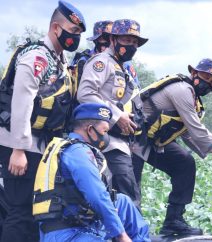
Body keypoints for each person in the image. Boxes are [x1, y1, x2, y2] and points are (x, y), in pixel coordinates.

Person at [132, 58, 212, 237]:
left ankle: (174, 220)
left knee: (185, 163)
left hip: (154, 142)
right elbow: (198, 132)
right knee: (131, 187)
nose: (208, 84)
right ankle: (130, 230)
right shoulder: (182, 89)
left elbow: (189, 136)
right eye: (206, 77)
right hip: (132, 138)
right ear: (194, 73)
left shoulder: (195, 102)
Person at [0, 1, 86, 241]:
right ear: (56, 28)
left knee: (35, 211)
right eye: (74, 30)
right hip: (20, 145)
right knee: (21, 211)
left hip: (39, 144)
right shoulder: (37, 57)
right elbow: (22, 101)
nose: (76, 36)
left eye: (79, 33)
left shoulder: (57, 60)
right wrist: (19, 149)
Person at [34, 102, 150, 242]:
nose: (106, 137)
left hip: (82, 223)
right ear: (90, 129)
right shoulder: (77, 152)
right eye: (104, 131)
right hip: (65, 233)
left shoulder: (74, 147)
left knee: (123, 202)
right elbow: (97, 196)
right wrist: (121, 235)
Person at [77, 19, 148, 208]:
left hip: (118, 138)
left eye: (135, 42)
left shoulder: (121, 67)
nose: (131, 45)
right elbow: (85, 93)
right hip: (98, 135)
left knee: (124, 190)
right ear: (113, 39)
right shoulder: (101, 62)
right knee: (126, 188)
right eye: (127, 40)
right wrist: (117, 116)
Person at [70, 20, 141, 94]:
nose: (106, 44)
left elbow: (136, 88)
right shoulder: (83, 60)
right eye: (102, 40)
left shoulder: (126, 64)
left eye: (108, 40)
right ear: (95, 41)